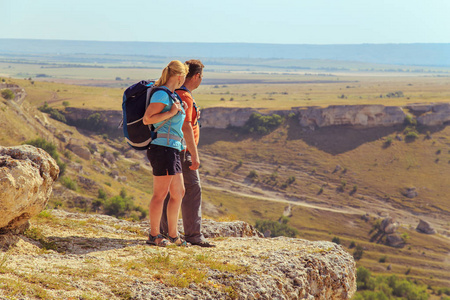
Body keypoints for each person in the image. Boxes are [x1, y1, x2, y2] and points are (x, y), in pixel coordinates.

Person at [160, 59, 215, 247]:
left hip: (167, 147)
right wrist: (195, 154)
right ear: (197, 76)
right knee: (192, 190)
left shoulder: (174, 92)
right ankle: (193, 235)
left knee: (169, 191)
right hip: (182, 150)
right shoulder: (186, 97)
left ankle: (164, 232)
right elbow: (186, 127)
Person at [142, 60, 189, 247]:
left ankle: (173, 235)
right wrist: (171, 113)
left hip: (173, 148)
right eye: (184, 76)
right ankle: (154, 235)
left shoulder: (172, 96)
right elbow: (148, 119)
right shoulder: (161, 94)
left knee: (179, 192)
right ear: (179, 76)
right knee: (160, 194)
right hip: (163, 148)